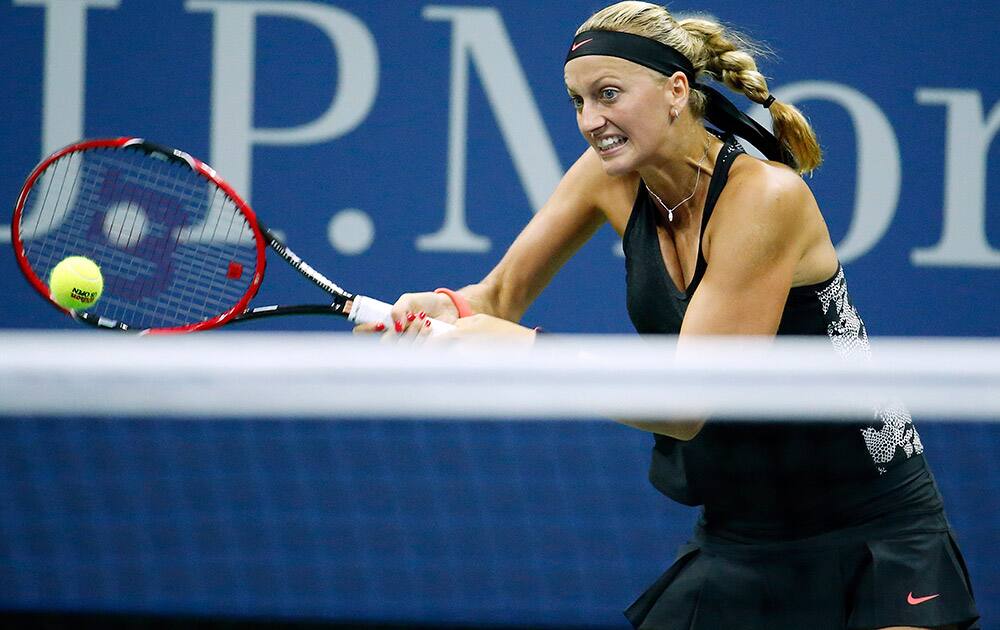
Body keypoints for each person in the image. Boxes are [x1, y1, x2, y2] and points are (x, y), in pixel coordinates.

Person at [357, 2, 980, 628]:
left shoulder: (766, 197)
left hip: (873, 526)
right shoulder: (605, 177)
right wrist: (446, 308)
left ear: (676, 90)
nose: (590, 121)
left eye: (608, 94)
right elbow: (498, 296)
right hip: (740, 532)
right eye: (577, 101)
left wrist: (520, 350)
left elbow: (689, 402)